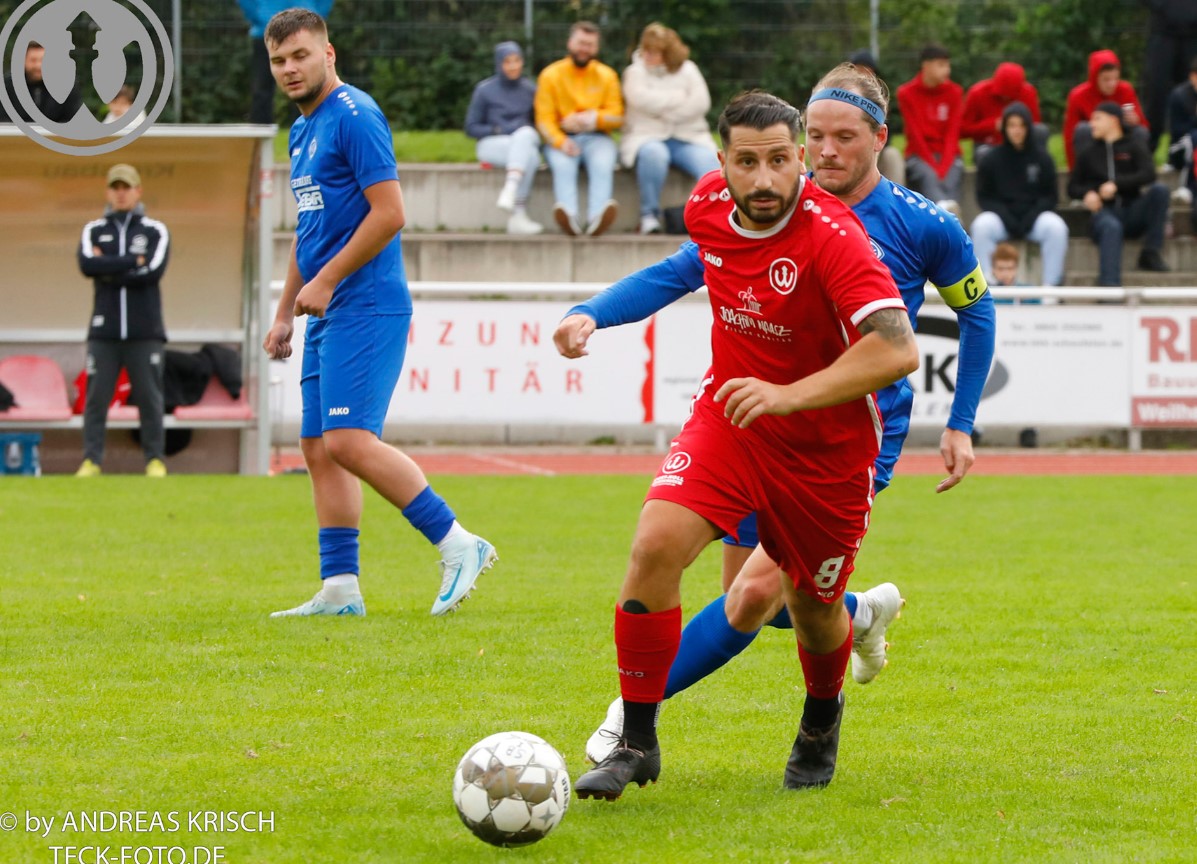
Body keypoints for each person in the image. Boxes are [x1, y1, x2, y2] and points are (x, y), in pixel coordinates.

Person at [581, 65, 997, 773]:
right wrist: (590, 313)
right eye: (818, 135)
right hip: (748, 419)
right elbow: (683, 268)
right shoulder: (751, 199)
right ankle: (854, 615)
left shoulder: (920, 225)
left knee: (756, 595)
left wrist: (961, 421)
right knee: (742, 592)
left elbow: (973, 314)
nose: (828, 151)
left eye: (844, 137)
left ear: (878, 138)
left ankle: (635, 716)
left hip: (847, 437)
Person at [261, 9, 497, 618]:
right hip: (329, 308)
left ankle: (458, 542)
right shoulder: (302, 130)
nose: (289, 69)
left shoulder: (355, 115)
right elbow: (309, 232)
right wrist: (285, 311)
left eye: (300, 56)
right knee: (318, 446)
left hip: (366, 302)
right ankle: (340, 589)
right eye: (279, 60)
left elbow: (390, 213)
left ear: (329, 54)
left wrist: (329, 280)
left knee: (347, 439)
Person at [75, 164, 170, 478]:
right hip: (104, 331)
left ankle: (154, 460)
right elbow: (87, 265)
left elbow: (152, 271)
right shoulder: (93, 229)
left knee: (150, 399)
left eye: (126, 187)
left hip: (146, 331)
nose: (121, 193)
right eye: (115, 187)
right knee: (95, 399)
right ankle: (91, 461)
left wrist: (107, 266)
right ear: (108, 192)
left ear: (138, 191)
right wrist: (132, 262)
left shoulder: (155, 230)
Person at [619, 23, 720, 235]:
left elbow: (701, 103)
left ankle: (709, 217)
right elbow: (640, 100)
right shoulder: (634, 72)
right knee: (653, 155)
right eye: (645, 49)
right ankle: (649, 215)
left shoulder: (689, 69)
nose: (647, 55)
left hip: (689, 137)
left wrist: (661, 111)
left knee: (710, 164)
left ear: (668, 53)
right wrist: (679, 99)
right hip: (646, 137)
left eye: (654, 52)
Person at [535, 21, 624, 237]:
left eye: (590, 45)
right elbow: (543, 119)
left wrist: (591, 119)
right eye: (581, 43)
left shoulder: (607, 75)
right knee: (563, 165)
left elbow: (617, 115)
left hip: (598, 138)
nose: (584, 49)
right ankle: (569, 217)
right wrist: (560, 141)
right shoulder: (550, 75)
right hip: (562, 138)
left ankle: (597, 218)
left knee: (603, 163)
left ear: (596, 48)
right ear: (570, 43)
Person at [1067, 101, 1171, 285]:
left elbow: (1149, 173)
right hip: (1103, 214)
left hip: (1132, 210)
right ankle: (1109, 288)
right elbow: (1072, 187)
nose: (1092, 124)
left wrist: (1117, 184)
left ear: (1113, 120)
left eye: (1097, 118)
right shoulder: (1088, 152)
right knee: (1111, 226)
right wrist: (1089, 193)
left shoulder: (1133, 145)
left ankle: (1150, 253)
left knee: (1160, 191)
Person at [970, 102, 1068, 286]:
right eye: (1012, 125)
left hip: (1034, 220)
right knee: (981, 226)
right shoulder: (991, 159)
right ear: (1004, 128)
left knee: (1056, 228)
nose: (1017, 130)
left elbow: (1050, 197)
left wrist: (1030, 218)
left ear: (1029, 127)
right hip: (1002, 220)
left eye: (1022, 125)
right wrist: (1007, 218)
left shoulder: (1043, 158)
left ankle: (1051, 289)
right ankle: (988, 288)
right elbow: (985, 197)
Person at [464, 41, 544, 235]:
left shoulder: (530, 90)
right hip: (493, 144)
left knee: (525, 135)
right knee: (531, 156)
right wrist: (499, 129)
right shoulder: (484, 90)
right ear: (499, 63)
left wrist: (520, 131)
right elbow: (471, 127)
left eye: (517, 60)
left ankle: (511, 188)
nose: (513, 66)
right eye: (507, 61)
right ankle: (518, 213)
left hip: (523, 141)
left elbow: (538, 123)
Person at [897, 44, 964, 213]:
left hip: (949, 155)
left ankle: (944, 214)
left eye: (948, 65)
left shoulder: (955, 92)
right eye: (941, 65)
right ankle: (947, 214)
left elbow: (952, 135)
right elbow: (915, 137)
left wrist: (943, 166)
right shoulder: (906, 93)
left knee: (952, 175)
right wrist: (935, 167)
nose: (947, 70)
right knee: (927, 175)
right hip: (919, 155)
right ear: (926, 66)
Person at [1064, 49, 1149, 170]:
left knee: (1140, 131)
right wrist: (1073, 170)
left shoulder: (1126, 90)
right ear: (1095, 77)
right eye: (1106, 79)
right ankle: (1084, 172)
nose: (1112, 84)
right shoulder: (1078, 96)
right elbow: (1070, 135)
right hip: (1094, 145)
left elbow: (1143, 125)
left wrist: (1136, 120)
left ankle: (1140, 171)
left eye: (1115, 78)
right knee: (1082, 129)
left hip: (1121, 145)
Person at [1140, 0, 1197, 153]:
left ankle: (1186, 154)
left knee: (1191, 93)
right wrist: (1162, 6)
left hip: (1193, 35)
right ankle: (1147, 152)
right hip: (1162, 33)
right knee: (1155, 92)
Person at [961, 62, 1047, 162]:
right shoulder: (977, 93)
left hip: (1020, 145)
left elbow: (1034, 125)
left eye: (1011, 97)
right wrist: (992, 126)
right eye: (1001, 95)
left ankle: (1035, 166)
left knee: (1040, 130)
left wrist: (1019, 127)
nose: (1006, 98)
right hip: (989, 145)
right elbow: (963, 130)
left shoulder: (1029, 93)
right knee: (984, 154)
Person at [848, 49, 905, 185]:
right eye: (859, 70)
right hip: (849, 152)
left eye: (867, 71)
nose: (863, 76)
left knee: (892, 155)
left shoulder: (880, 99)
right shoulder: (841, 97)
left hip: (876, 151)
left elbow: (886, 132)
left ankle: (893, 195)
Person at [0, 41, 82, 124]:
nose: (38, 65)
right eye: (33, 60)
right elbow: (3, 122)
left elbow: (72, 121)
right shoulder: (7, 86)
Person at [1166, 56, 1197, 211]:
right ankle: (1187, 186)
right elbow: (1176, 130)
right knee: (1195, 137)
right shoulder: (1179, 96)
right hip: (1180, 147)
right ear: (1193, 76)